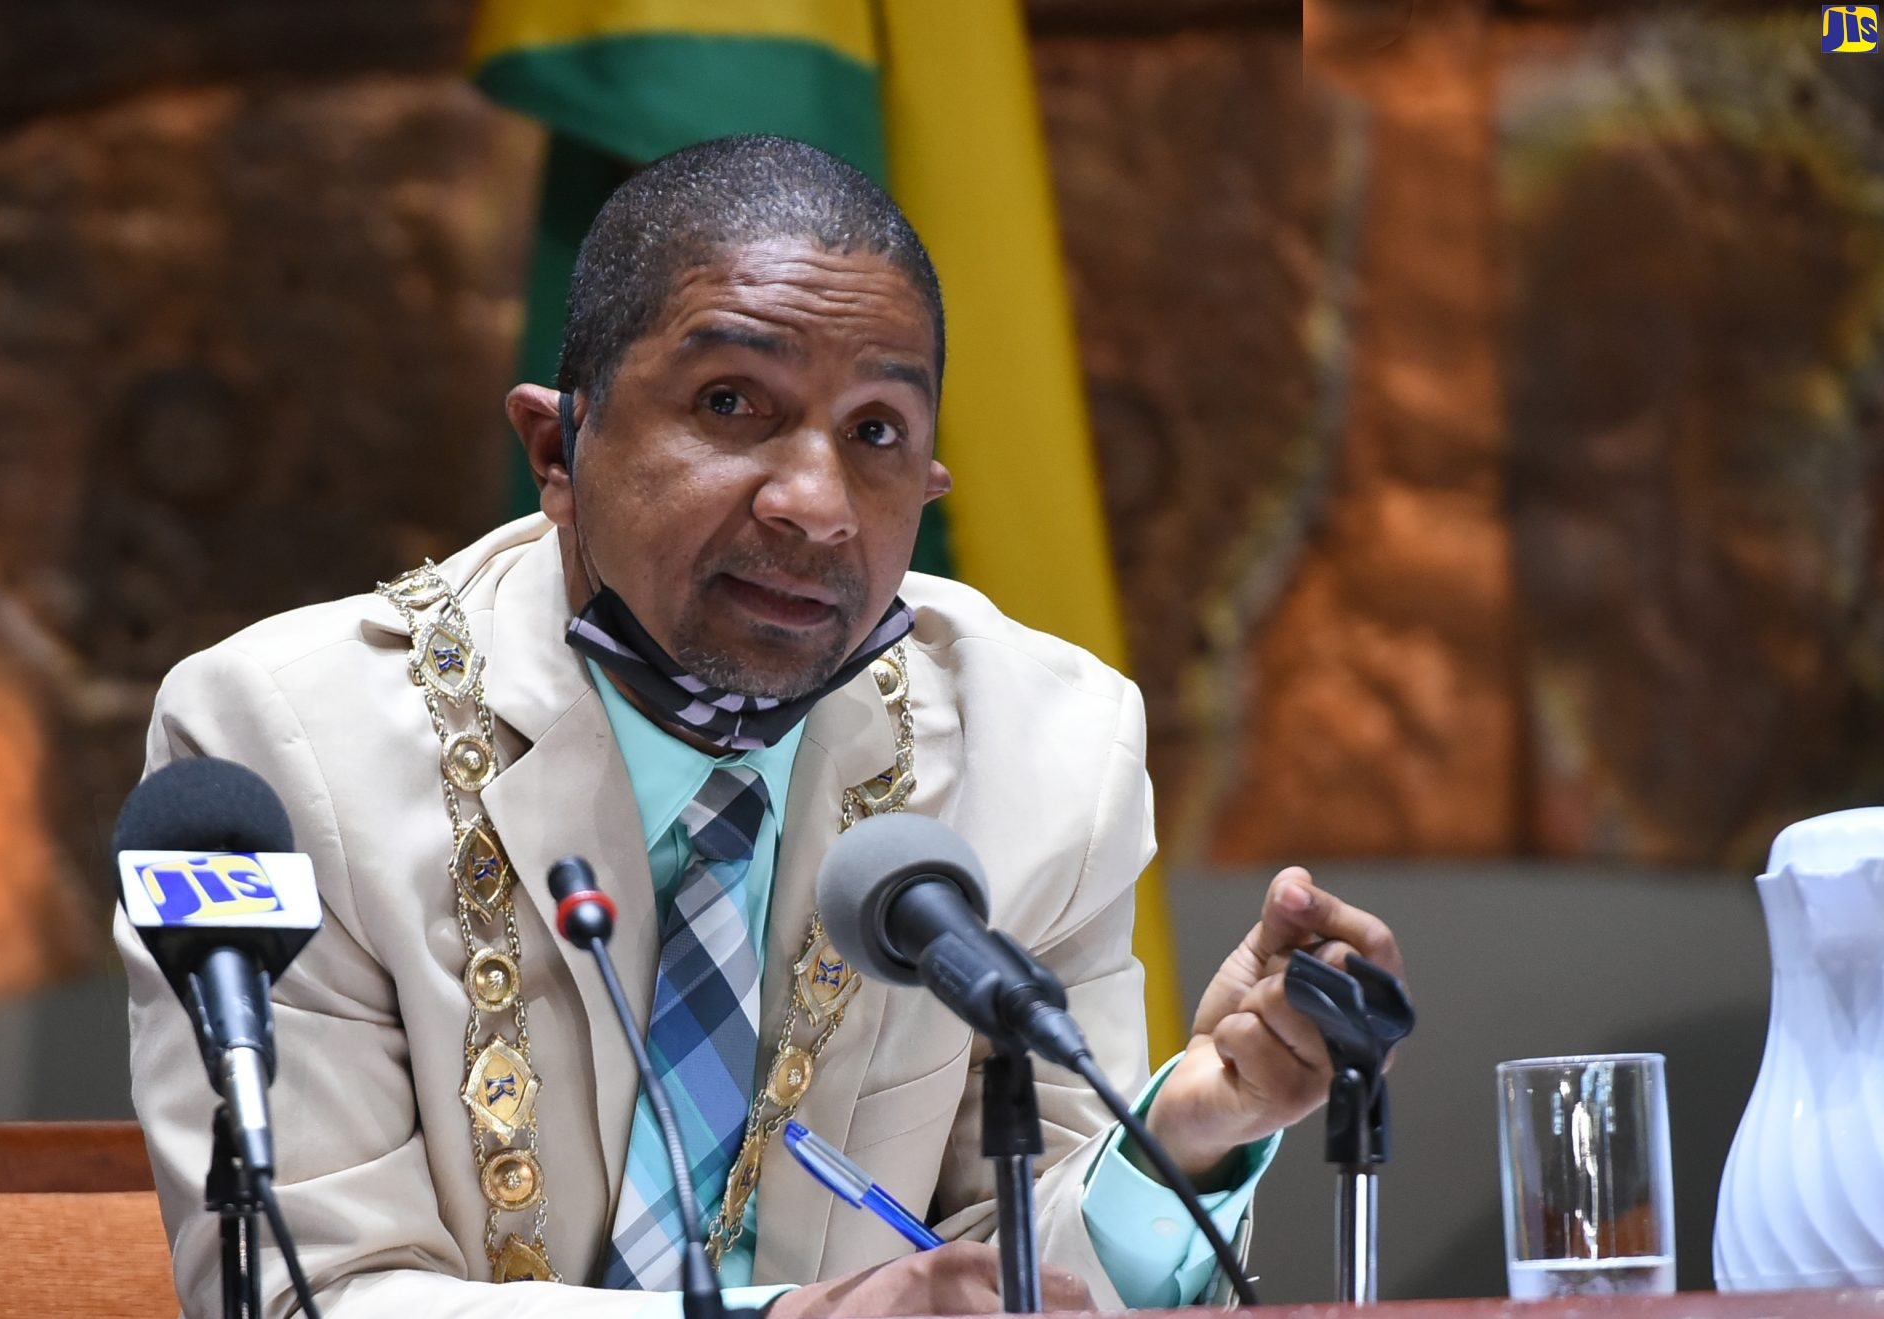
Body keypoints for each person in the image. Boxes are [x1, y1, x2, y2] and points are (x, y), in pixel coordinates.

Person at [117, 134, 1406, 1319]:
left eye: (877, 434)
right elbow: (305, 1296)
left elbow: (1013, 1273)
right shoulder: (274, 743)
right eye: (731, 403)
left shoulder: (1048, 748)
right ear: (556, 447)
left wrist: (1186, 1133)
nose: (814, 505)